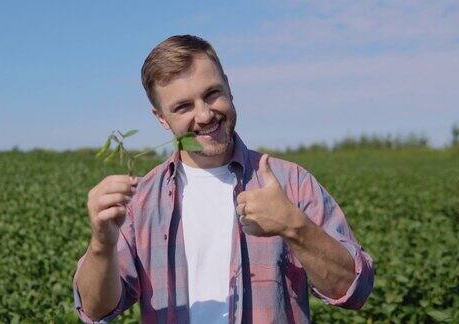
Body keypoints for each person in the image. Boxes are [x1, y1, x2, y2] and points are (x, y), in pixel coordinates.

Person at [72, 35, 374, 323]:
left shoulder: (290, 182)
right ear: (161, 118)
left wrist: (294, 227)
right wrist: (102, 244)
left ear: (228, 87)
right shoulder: (141, 200)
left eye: (211, 93)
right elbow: (95, 310)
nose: (204, 115)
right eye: (183, 106)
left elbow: (354, 290)